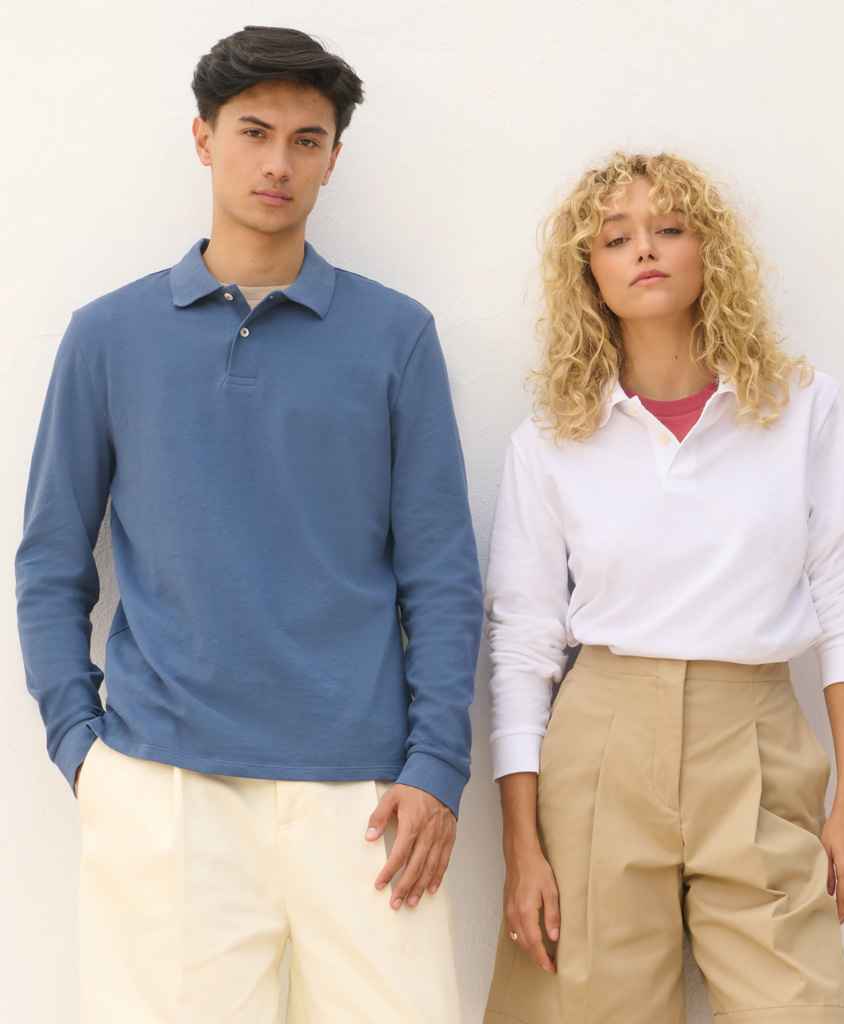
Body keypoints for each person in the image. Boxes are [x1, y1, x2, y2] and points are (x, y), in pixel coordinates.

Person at [14, 25, 482, 1023]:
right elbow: (52, 559)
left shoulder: (395, 336)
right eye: (254, 132)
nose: (278, 163)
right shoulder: (109, 336)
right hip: (166, 789)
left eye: (306, 140)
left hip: (366, 797)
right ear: (204, 138)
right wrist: (83, 751)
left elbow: (441, 571)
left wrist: (437, 766)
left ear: (333, 157)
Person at [482, 151, 844, 1024]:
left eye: (669, 228)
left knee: (798, 1006)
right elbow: (522, 644)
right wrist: (521, 848)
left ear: (711, 251)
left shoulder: (801, 407)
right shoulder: (551, 440)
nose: (644, 250)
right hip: (601, 747)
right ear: (589, 271)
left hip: (758, 740)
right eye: (615, 238)